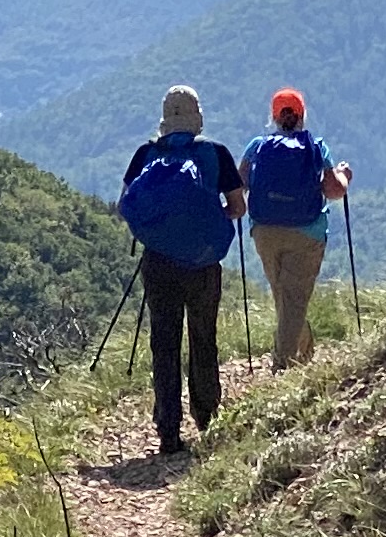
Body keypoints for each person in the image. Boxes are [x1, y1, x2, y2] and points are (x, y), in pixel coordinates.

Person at [117, 85, 245, 457]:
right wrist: (209, 221)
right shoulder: (215, 154)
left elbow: (126, 206)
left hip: (158, 263)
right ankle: (208, 419)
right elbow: (238, 207)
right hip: (203, 263)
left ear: (164, 118)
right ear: (197, 116)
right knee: (203, 338)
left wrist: (161, 229)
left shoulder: (146, 155)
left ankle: (168, 430)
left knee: (164, 342)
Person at [241, 88, 353, 369]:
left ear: (274, 116)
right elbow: (334, 190)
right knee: (292, 298)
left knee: (284, 295)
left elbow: (239, 184)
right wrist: (344, 175)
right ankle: (284, 368)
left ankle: (303, 350)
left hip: (265, 230)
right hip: (306, 231)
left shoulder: (257, 146)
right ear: (302, 115)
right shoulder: (316, 146)